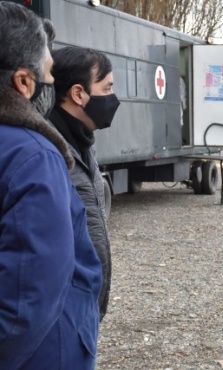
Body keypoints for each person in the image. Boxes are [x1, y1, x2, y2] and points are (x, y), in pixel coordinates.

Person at [0, 3, 102, 369]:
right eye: (48, 74)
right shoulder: (34, 156)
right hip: (43, 352)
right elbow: (30, 296)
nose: (51, 85)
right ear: (24, 83)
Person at [50, 46, 120, 321]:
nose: (113, 99)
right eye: (107, 88)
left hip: (84, 305)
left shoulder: (83, 143)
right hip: (60, 311)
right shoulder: (48, 152)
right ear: (78, 94)